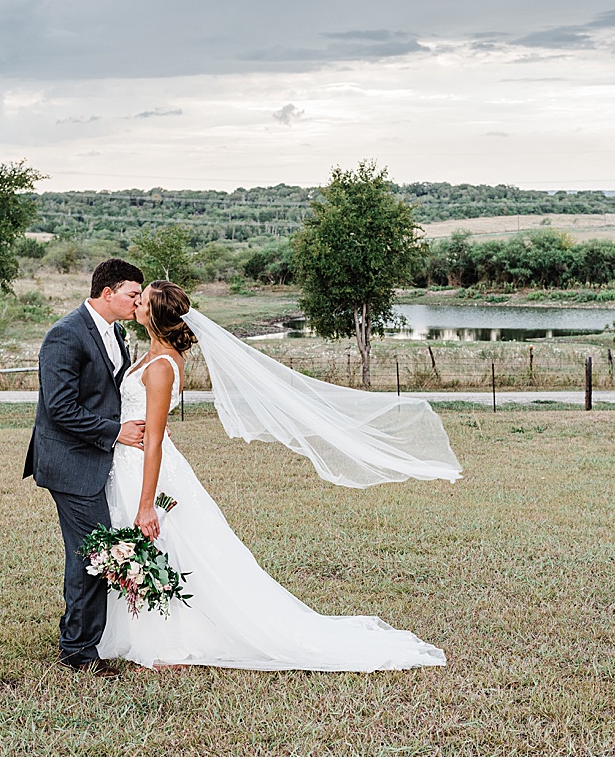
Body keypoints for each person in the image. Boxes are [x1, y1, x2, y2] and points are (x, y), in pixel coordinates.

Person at [98, 280, 460, 671]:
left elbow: (153, 441)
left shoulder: (162, 366)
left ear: (155, 314)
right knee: (154, 546)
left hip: (149, 467)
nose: (135, 303)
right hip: (128, 462)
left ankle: (168, 642)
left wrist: (147, 502)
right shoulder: (147, 355)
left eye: (143, 299)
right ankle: (137, 632)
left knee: (167, 544)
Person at [24, 258, 145, 678]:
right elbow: (59, 409)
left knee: (94, 550)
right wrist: (116, 432)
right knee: (93, 554)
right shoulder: (65, 334)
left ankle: (84, 636)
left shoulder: (117, 330)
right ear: (107, 293)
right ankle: (78, 650)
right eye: (133, 294)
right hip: (70, 462)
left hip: (102, 460)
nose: (138, 301)